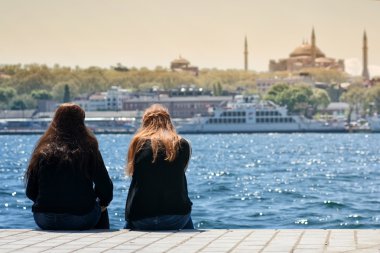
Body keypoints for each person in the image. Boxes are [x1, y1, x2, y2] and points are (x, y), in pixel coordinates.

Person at [25, 103, 113, 230]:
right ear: (81, 123)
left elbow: (30, 192)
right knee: (101, 208)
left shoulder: (43, 151)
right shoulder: (89, 150)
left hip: (44, 219)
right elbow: (105, 189)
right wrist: (97, 202)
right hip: (79, 219)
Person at [124, 104, 194, 230]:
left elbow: (135, 173)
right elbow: (180, 172)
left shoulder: (137, 142)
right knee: (184, 212)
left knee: (130, 223)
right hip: (176, 218)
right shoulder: (183, 143)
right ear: (169, 122)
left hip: (141, 218)